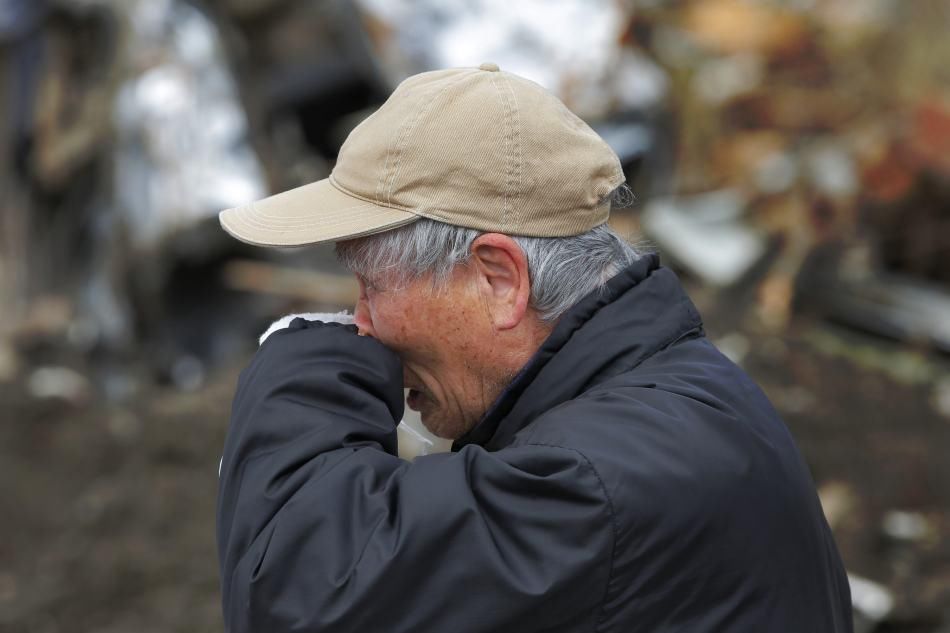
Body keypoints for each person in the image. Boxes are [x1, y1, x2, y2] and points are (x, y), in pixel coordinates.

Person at [216, 63, 852, 632]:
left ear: (499, 279)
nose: (360, 323)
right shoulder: (666, 407)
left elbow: (296, 596)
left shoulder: (597, 482)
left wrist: (303, 366)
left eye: (371, 286)